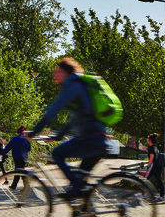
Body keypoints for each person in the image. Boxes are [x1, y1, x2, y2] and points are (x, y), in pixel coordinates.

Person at [29, 57, 108, 198]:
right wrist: (58, 136)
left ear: (66, 73)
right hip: (98, 138)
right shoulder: (79, 86)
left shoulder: (71, 86)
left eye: (58, 71)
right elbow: (74, 121)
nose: (54, 75)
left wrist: (35, 131)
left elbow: (52, 111)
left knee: (57, 154)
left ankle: (77, 189)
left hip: (90, 138)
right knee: (81, 181)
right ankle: (89, 216)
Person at [146, 133, 165, 202]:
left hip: (153, 166)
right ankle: (162, 196)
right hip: (158, 166)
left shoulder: (151, 147)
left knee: (145, 178)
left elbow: (152, 157)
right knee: (159, 180)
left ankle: (143, 194)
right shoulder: (155, 148)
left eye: (147, 139)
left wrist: (149, 165)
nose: (147, 141)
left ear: (150, 140)